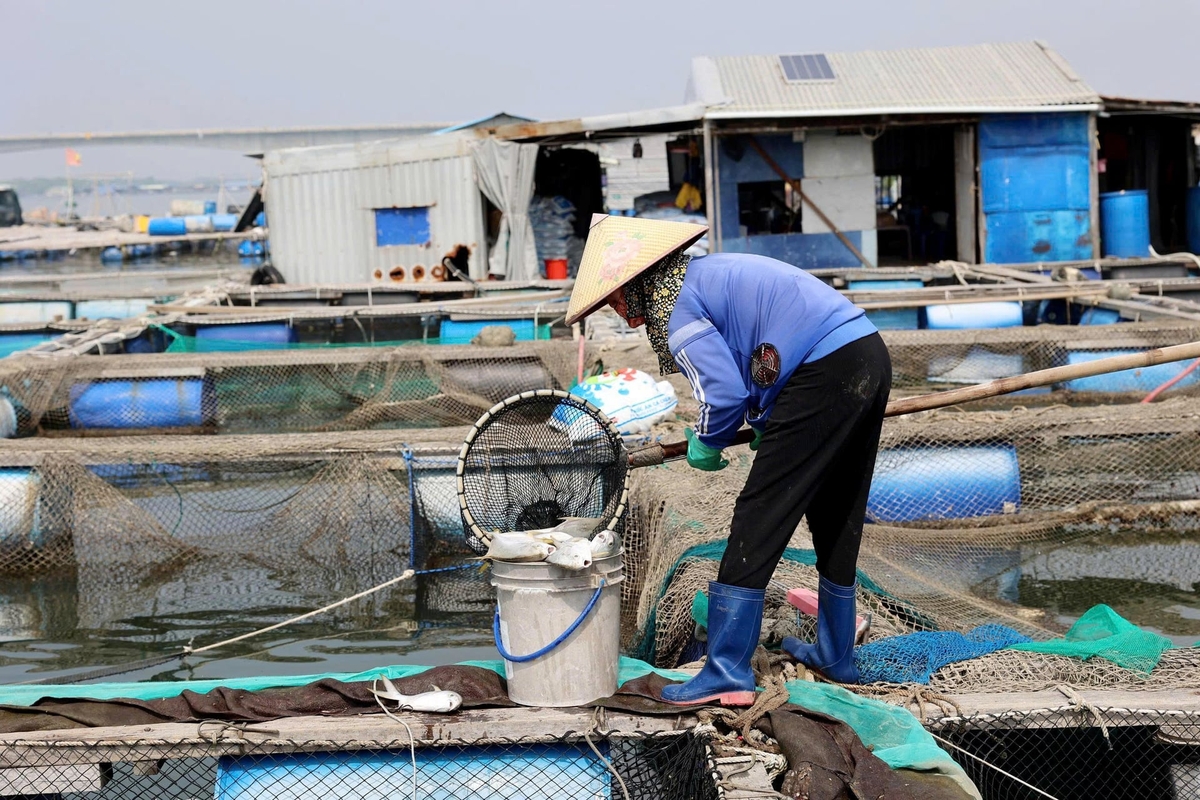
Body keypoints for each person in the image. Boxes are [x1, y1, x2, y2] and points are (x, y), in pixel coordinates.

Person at [565, 215, 891, 704]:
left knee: (759, 513)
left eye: (616, 300)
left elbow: (722, 392)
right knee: (834, 507)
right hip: (865, 352)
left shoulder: (676, 310)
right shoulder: (703, 277)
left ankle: (726, 669)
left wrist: (706, 441)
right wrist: (765, 418)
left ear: (637, 284)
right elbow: (757, 347)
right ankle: (835, 652)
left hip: (824, 368)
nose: (622, 314)